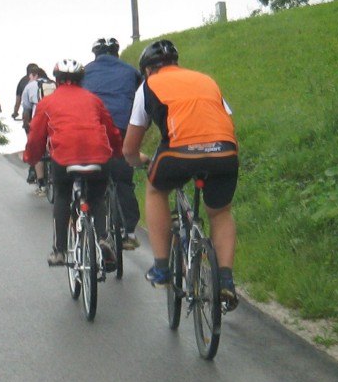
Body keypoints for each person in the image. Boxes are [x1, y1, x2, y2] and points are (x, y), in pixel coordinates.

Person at [122, 39, 240, 310]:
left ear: (148, 70)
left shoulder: (147, 86)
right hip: (224, 151)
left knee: (155, 190)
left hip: (179, 153)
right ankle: (225, 281)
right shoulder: (206, 81)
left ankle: (162, 268)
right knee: (220, 213)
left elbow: (130, 147)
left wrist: (136, 160)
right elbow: (228, 123)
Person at [23, 59, 123, 268]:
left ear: (57, 80)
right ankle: (104, 238)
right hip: (98, 157)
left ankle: (59, 251)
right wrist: (118, 151)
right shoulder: (94, 100)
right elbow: (111, 129)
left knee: (62, 196)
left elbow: (35, 137)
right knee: (96, 197)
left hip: (64, 158)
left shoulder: (47, 103)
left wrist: (31, 158)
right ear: (81, 79)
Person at [82, 37, 144, 249]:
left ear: (96, 54)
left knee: (92, 180)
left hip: (92, 129)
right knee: (123, 180)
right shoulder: (130, 71)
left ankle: (89, 226)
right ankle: (129, 232)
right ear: (116, 53)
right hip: (120, 127)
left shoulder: (85, 71)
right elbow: (139, 97)